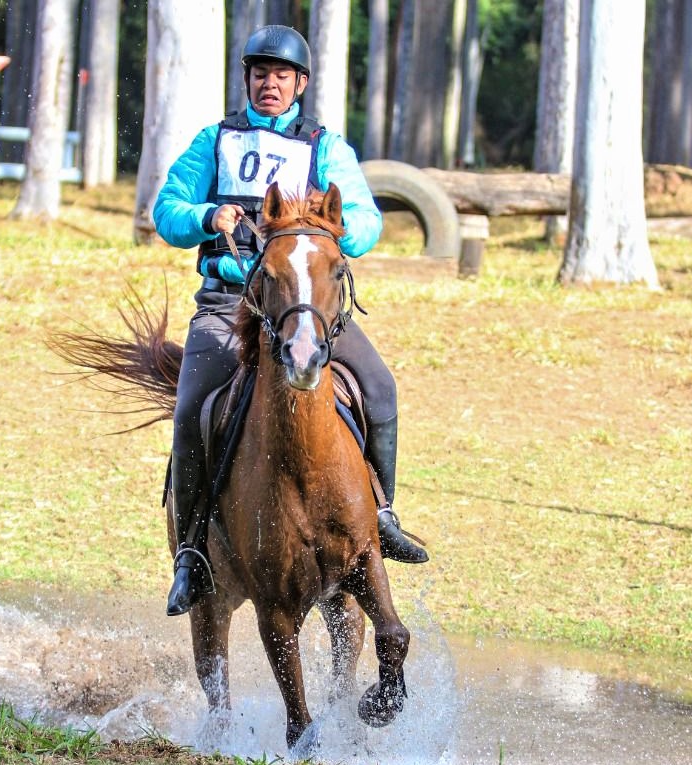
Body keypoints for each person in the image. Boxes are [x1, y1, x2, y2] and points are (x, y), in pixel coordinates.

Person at [154, 25, 428, 617]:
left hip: (304, 303)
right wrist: (209, 214)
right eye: (260, 73)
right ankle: (193, 552)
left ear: (300, 83)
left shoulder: (324, 147)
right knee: (191, 409)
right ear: (248, 79)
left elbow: (364, 219)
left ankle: (380, 515)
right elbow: (166, 209)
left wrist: (331, 228)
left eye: (281, 75)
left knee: (379, 385)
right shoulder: (215, 140)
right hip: (231, 304)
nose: (269, 83)